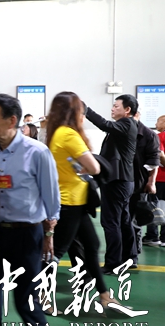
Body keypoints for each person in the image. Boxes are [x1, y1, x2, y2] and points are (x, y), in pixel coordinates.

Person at [0, 93, 59, 326]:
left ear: (12, 120)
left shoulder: (37, 152)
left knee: (26, 301)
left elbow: (51, 198)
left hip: (27, 234)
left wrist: (48, 236)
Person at [46, 91, 122, 310]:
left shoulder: (58, 133)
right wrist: (85, 166)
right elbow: (95, 167)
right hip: (69, 203)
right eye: (81, 110)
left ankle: (104, 295)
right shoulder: (68, 134)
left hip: (75, 202)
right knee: (56, 253)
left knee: (91, 246)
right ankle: (41, 295)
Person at [85, 94, 138, 274]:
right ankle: (130, 257)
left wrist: (86, 110)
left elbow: (104, 124)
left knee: (111, 222)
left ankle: (113, 263)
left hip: (117, 181)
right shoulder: (126, 126)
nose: (112, 109)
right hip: (124, 181)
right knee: (123, 220)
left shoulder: (126, 124)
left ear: (127, 110)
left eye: (116, 106)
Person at [128, 109, 160, 258]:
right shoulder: (119, 132)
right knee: (123, 219)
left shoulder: (149, 135)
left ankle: (133, 254)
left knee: (135, 219)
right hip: (122, 184)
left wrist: (151, 182)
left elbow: (154, 161)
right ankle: (127, 251)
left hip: (139, 184)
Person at [144, 114, 165, 246]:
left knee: (154, 207)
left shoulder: (159, 137)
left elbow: (160, 155)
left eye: (158, 121)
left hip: (160, 179)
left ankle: (152, 236)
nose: (156, 124)